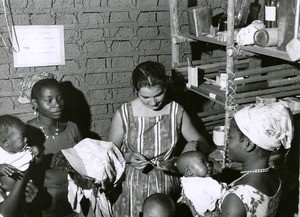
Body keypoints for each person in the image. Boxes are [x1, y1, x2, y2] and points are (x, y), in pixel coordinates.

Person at [108, 61, 210, 216]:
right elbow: (108, 154)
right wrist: (128, 157)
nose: (154, 102)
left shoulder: (176, 111)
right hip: (132, 190)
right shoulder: (124, 113)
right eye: (146, 97)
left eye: (159, 94)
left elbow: (204, 143)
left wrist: (194, 146)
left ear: (165, 87)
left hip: (167, 187)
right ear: (136, 90)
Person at [18, 72, 82, 217]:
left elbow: (85, 166)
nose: (57, 105)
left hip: (75, 207)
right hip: (43, 209)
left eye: (60, 98)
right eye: (49, 100)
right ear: (35, 103)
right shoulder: (26, 134)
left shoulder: (72, 128)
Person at [220, 102, 293, 217]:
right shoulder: (274, 176)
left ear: (249, 145)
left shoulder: (236, 198)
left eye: (230, 137)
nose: (226, 142)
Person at [0, 115, 41, 198]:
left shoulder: (25, 151)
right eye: (22, 137)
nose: (26, 139)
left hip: (27, 192)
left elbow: (38, 161)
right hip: (6, 196)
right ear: (5, 143)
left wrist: (38, 152)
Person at [176, 150, 227, 216]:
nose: (208, 164)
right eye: (203, 162)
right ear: (189, 171)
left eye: (207, 161)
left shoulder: (185, 182)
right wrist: (224, 185)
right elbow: (222, 193)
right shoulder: (206, 182)